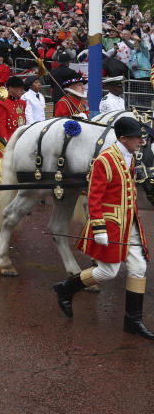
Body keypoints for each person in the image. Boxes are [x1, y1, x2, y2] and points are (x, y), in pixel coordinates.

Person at [53, 116, 154, 340]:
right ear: (123, 138)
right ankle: (66, 288)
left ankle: (133, 321)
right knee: (109, 272)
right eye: (137, 137)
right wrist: (99, 229)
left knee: (138, 268)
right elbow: (94, 197)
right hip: (111, 224)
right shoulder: (105, 160)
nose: (141, 141)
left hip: (130, 223)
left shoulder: (130, 157)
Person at [0, 76, 27, 143]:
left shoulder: (22, 103)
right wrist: (6, 143)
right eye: (19, 88)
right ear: (10, 88)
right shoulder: (1, 104)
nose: (22, 90)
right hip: (9, 140)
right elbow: (0, 127)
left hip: (21, 139)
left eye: (22, 88)